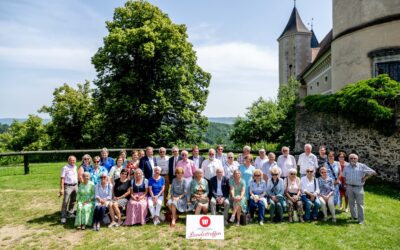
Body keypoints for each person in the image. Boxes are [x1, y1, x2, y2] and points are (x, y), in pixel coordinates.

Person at [342, 153, 376, 225]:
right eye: (351, 158)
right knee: (351, 203)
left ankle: (361, 220)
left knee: (360, 204)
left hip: (359, 187)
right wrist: (345, 184)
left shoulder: (362, 166)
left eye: (355, 158)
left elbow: (373, 172)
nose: (353, 159)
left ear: (357, 159)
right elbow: (344, 176)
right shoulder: (346, 167)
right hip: (349, 187)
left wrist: (365, 178)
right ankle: (354, 216)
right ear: (349, 159)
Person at [60, 155, 78, 224]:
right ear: (68, 161)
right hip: (68, 186)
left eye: (74, 160)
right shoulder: (65, 168)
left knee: (73, 200)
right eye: (71, 160)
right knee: (65, 201)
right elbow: (62, 178)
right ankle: (63, 216)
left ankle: (70, 213)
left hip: (75, 186)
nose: (73, 161)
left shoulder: (75, 167)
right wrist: (62, 189)